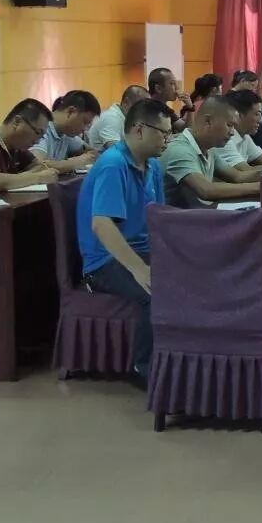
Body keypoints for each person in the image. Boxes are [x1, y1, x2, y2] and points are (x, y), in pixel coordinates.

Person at [75, 98, 170, 385]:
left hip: (142, 250)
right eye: (163, 133)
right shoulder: (113, 165)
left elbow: (159, 217)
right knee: (156, 293)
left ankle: (180, 360)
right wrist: (138, 270)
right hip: (105, 261)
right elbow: (102, 225)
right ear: (139, 130)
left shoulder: (152, 166)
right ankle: (144, 369)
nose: (167, 140)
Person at [159, 96, 262, 208]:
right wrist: (260, 187)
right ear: (208, 121)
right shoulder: (180, 150)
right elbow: (206, 190)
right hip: (174, 218)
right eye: (229, 125)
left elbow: (237, 176)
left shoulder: (208, 148)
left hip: (195, 214)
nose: (232, 132)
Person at [0, 99, 59, 189]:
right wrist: (38, 177)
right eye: (38, 133)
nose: (37, 142)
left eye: (41, 136)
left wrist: (16, 179)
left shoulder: (16, 146)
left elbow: (41, 167)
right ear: (17, 122)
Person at [213, 89, 262, 185]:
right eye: (257, 114)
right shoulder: (224, 139)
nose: (261, 120)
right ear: (239, 115)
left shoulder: (245, 136)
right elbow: (244, 172)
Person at [31, 90, 101, 174]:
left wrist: (86, 158)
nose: (85, 129)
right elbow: (36, 167)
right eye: (85, 122)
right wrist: (76, 162)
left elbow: (93, 153)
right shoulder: (42, 128)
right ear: (70, 112)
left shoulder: (66, 133)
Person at [89, 85, 148, 151]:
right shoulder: (111, 117)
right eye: (141, 105)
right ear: (126, 102)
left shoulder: (129, 119)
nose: (145, 111)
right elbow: (115, 151)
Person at [148, 67, 194, 131]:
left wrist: (190, 107)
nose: (177, 87)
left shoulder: (164, 108)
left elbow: (185, 129)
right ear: (158, 88)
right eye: (172, 83)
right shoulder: (149, 109)